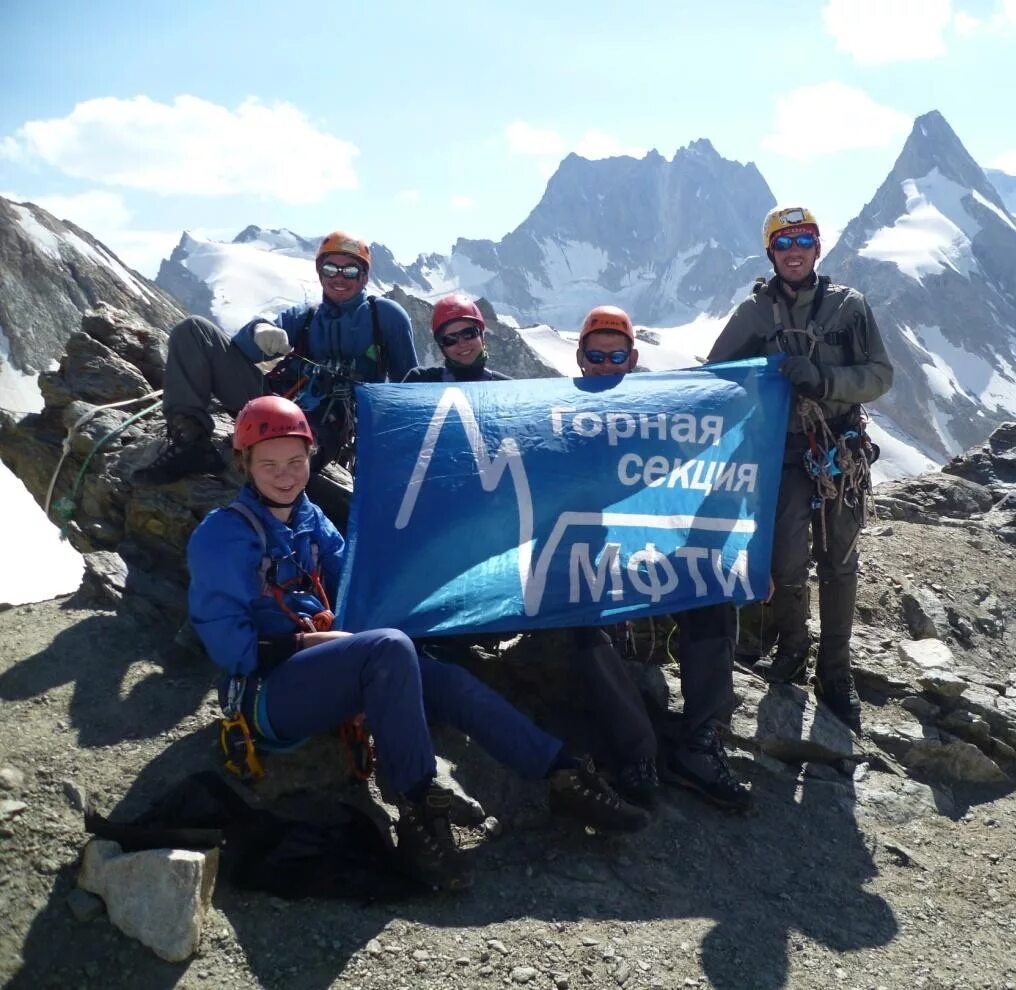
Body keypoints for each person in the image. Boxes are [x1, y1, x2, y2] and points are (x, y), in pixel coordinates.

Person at [186, 395, 648, 890]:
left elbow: (358, 585)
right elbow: (230, 647)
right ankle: (420, 817)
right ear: (245, 464)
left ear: (311, 457)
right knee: (389, 649)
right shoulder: (223, 536)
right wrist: (316, 644)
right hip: (265, 694)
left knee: (446, 679)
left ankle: (563, 772)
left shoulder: (309, 518)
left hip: (332, 670)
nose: (286, 474)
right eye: (269, 463)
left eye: (296, 461)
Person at [705, 207, 894, 733]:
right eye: (784, 242)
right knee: (786, 562)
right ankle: (792, 648)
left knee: (838, 559)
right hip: (781, 453)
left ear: (817, 248)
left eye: (804, 240)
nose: (794, 250)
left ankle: (836, 671)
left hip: (839, 451)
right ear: (771, 252)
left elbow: (879, 375)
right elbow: (717, 377)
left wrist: (823, 379)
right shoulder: (754, 314)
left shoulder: (849, 308)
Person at [569, 305, 752, 812]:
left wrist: (745, 556)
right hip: (592, 563)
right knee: (581, 627)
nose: (607, 365)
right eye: (596, 355)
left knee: (712, 599)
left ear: (633, 358)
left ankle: (698, 742)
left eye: (617, 355)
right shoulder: (559, 416)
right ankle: (639, 751)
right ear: (581, 358)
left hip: (651, 556)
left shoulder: (665, 414)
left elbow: (698, 483)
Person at [134, 231, 419, 487]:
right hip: (271, 401)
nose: (338, 277)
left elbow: (410, 387)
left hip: (333, 427)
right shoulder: (304, 317)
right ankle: (191, 441)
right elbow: (245, 348)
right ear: (320, 273)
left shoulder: (386, 316)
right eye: (330, 268)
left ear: (364, 276)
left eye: (350, 270)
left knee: (285, 460)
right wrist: (259, 331)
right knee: (193, 330)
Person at [405, 294, 510, 383]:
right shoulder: (419, 380)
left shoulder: (508, 387)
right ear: (442, 348)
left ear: (481, 336)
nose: (462, 343)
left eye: (469, 334)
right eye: (450, 339)